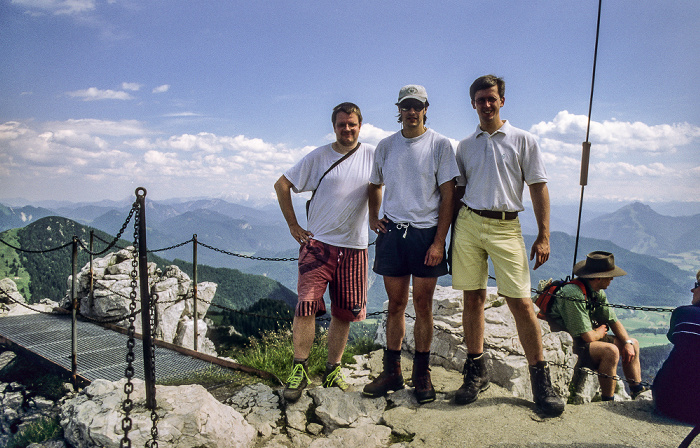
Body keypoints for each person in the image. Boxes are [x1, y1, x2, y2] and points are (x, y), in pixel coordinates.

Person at [451, 74, 565, 416]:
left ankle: (540, 380)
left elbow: (538, 186)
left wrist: (544, 235)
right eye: (480, 100)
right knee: (473, 297)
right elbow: (458, 190)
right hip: (469, 223)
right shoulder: (464, 145)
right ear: (472, 104)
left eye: (492, 98)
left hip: (506, 226)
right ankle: (476, 371)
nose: (486, 104)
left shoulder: (523, 139)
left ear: (502, 101)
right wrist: (449, 231)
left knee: (521, 303)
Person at [361, 85, 459, 404]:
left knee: (423, 306)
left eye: (417, 106)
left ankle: (422, 373)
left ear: (426, 109)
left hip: (425, 235)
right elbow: (375, 184)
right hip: (392, 233)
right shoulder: (386, 146)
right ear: (399, 109)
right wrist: (374, 217)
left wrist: (439, 241)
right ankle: (392, 372)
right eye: (406, 106)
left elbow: (449, 195)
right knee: (396, 305)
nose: (412, 111)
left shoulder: (439, 144)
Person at [274, 102, 375, 402]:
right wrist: (294, 226)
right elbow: (282, 185)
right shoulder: (319, 156)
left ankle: (333, 369)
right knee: (306, 305)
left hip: (355, 247)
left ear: (360, 125)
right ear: (334, 126)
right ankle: (300, 369)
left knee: (345, 312)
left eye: (352, 124)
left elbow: (383, 187)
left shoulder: (372, 155)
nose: (347, 129)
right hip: (317, 245)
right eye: (342, 124)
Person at [547, 251, 647, 401]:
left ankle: (637, 390)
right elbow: (587, 337)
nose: (612, 278)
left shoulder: (594, 291)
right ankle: (608, 400)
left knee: (634, 344)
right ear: (598, 277)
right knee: (611, 351)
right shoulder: (573, 293)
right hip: (569, 342)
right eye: (610, 275)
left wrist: (627, 343)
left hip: (585, 338)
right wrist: (599, 332)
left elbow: (613, 320)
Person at [653, 270, 700, 424]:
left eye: (697, 285)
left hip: (667, 400)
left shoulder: (683, 314)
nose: (692, 290)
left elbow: (675, 339)